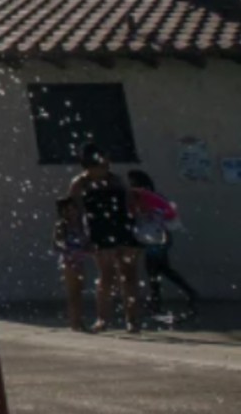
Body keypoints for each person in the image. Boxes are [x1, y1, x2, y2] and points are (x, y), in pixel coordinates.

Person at [74, 142, 141, 333]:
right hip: (99, 232)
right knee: (107, 275)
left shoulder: (116, 180)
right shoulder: (81, 183)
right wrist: (81, 236)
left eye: (106, 163)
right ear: (89, 165)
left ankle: (132, 319)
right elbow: (74, 212)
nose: (104, 167)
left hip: (123, 228)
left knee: (129, 275)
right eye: (100, 163)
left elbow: (129, 205)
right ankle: (103, 318)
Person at [127, 169, 198, 320]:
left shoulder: (148, 198)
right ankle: (166, 299)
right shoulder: (149, 197)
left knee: (155, 270)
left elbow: (162, 216)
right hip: (156, 238)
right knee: (160, 269)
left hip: (157, 238)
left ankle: (158, 302)